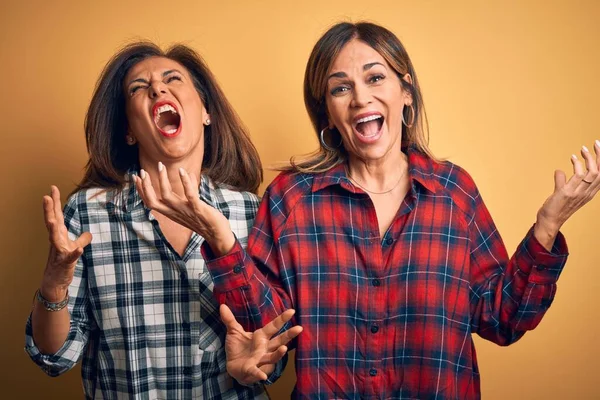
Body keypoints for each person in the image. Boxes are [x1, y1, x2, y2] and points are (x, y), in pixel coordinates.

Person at [136, 22, 600, 399]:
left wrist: (547, 227)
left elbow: (503, 319)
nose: (360, 98)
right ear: (329, 114)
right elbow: (267, 328)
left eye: (375, 78)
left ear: (406, 93)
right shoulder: (291, 199)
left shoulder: (453, 193)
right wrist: (221, 241)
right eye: (341, 88)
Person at [25, 41, 299, 399]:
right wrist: (54, 285)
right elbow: (54, 357)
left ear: (205, 112)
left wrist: (256, 367)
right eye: (139, 87)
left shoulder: (252, 211)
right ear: (129, 130)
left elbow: (273, 343)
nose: (157, 87)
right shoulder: (87, 213)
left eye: (173, 79)